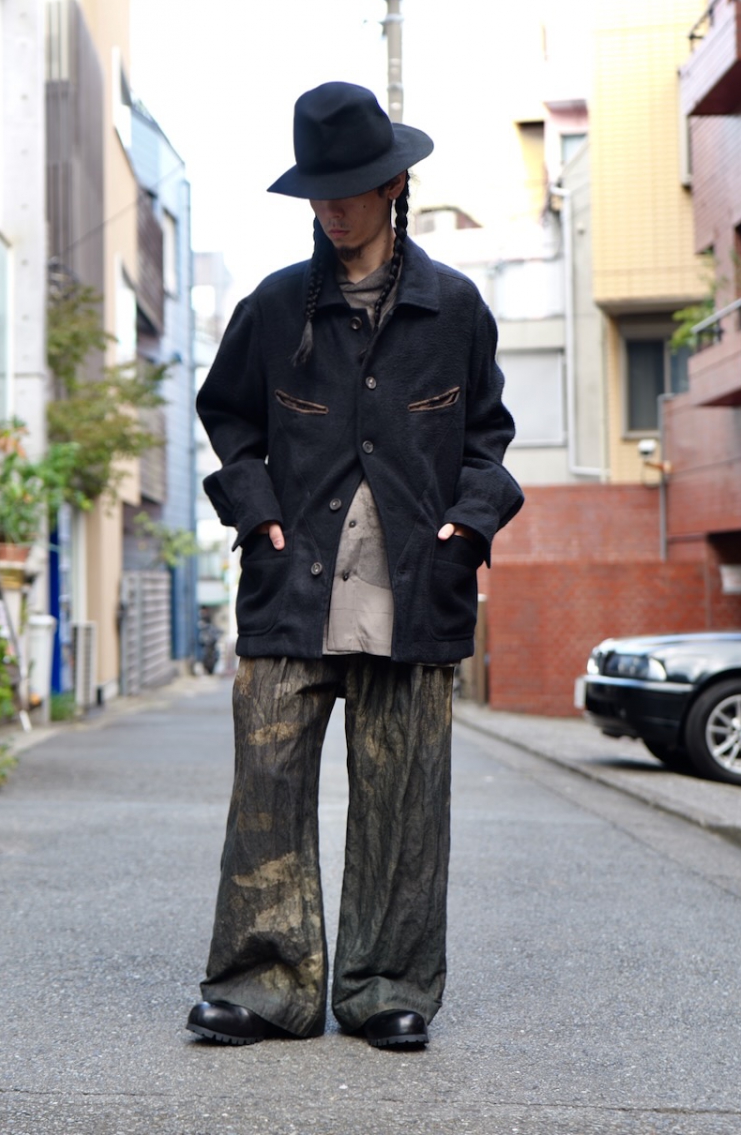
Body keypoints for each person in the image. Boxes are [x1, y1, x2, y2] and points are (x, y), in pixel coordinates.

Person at [187, 81, 523, 1050]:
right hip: (290, 587)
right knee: (267, 788)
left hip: (414, 589)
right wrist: (254, 512)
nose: (331, 208)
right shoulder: (272, 306)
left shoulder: (453, 309)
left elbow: (488, 440)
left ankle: (387, 986)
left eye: (348, 190)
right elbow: (228, 417)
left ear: (393, 186)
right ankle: (263, 987)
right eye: (317, 193)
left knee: (402, 803)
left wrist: (466, 529)